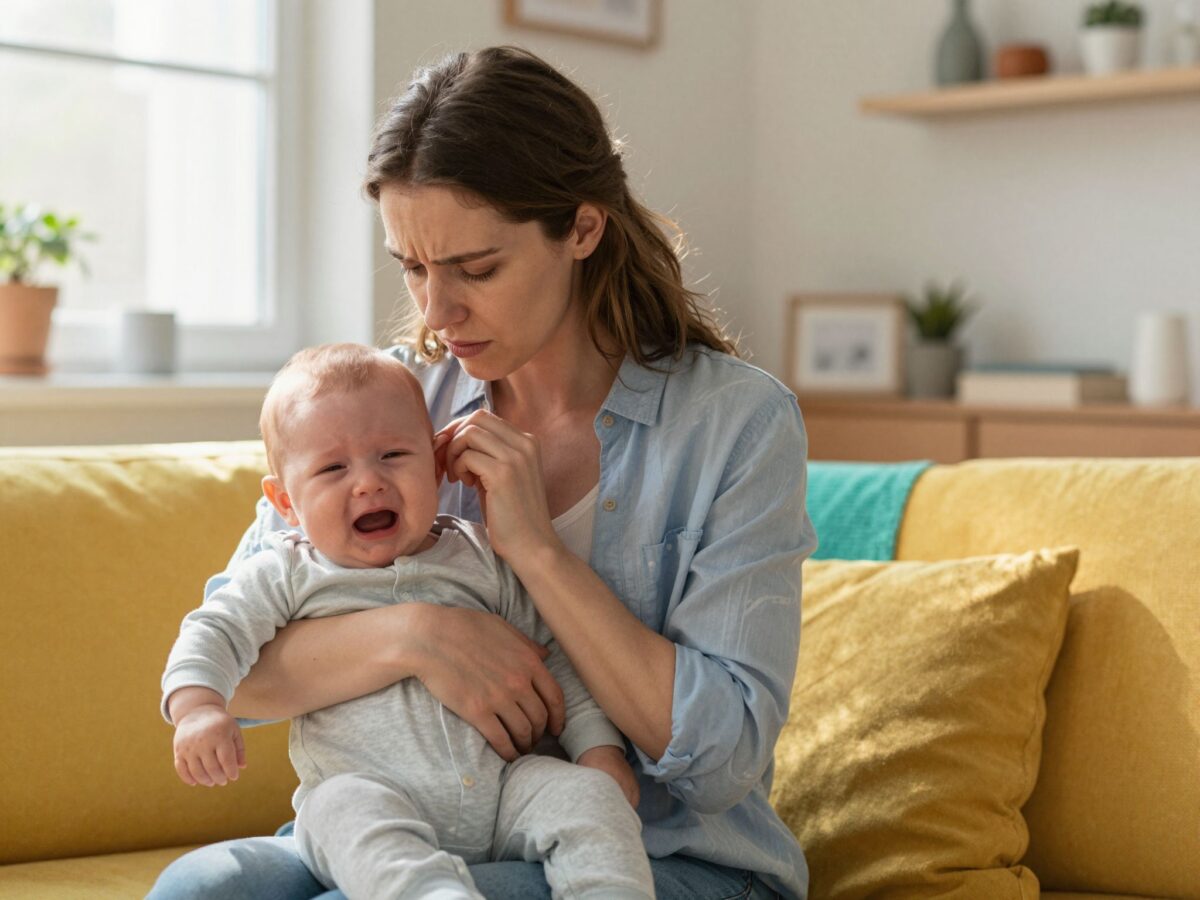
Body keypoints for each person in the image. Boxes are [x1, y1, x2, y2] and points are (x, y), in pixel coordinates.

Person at [150, 45, 816, 900]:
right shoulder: (387, 401)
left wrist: (539, 554)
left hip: (654, 853)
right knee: (200, 893)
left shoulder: (735, 424)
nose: (437, 310)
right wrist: (420, 636)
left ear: (581, 228)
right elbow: (238, 667)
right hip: (406, 826)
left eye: (476, 268)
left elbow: (721, 758)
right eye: (413, 267)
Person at [161, 343, 654, 900]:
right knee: (341, 809)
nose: (367, 482)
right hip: (367, 794)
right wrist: (197, 708)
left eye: (393, 455)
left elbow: (552, 657)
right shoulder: (285, 572)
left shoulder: (481, 557)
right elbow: (213, 631)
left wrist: (597, 751)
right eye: (332, 468)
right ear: (286, 503)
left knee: (588, 797)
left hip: (502, 792)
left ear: (436, 461)